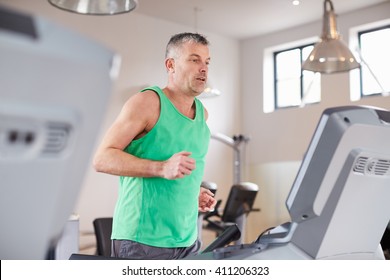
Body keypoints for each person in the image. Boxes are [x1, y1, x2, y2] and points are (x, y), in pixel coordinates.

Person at [93, 32, 217, 259]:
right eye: (194, 59)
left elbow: (177, 173)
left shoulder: (203, 115)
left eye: (207, 62)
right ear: (171, 65)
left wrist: (192, 193)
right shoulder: (148, 102)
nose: (204, 68)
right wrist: (161, 168)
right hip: (142, 241)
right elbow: (102, 158)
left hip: (188, 239)